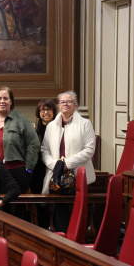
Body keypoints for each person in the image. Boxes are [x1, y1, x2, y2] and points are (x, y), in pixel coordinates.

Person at [40, 91, 96, 232]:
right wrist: (55, 165)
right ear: (58, 105)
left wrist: (66, 164)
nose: (65, 104)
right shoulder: (51, 126)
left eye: (69, 101)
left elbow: (89, 150)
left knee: (75, 213)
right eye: (62, 102)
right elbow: (44, 150)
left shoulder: (85, 123)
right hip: (56, 176)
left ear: (75, 105)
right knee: (57, 212)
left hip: (78, 175)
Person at [0, 87, 40, 217]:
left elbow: (33, 144)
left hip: (16, 172)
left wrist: (28, 169)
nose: (2, 101)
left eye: (6, 98)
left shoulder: (21, 119)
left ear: (11, 102)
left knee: (16, 210)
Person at [31, 98, 57, 226]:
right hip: (37, 170)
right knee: (39, 200)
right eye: (42, 109)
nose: (45, 112)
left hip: (53, 168)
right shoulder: (34, 129)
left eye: (48, 109)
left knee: (52, 202)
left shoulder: (59, 128)